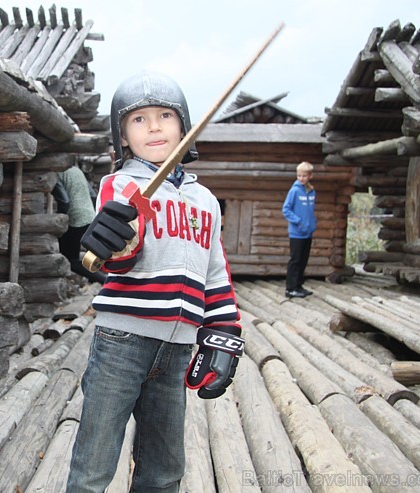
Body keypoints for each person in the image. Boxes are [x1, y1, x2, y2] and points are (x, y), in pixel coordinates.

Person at [66, 71, 244, 493]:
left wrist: (223, 333)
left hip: (179, 347)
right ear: (122, 136)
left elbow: (214, 272)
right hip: (122, 343)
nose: (155, 127)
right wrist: (114, 241)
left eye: (165, 115)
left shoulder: (205, 202)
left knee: (164, 470)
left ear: (185, 125)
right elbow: (121, 260)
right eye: (139, 119)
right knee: (94, 466)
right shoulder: (122, 185)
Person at [56, 165, 107, 284]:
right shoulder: (76, 170)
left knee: (70, 260)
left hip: (76, 219)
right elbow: (93, 195)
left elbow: (64, 201)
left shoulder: (57, 173)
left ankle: (104, 280)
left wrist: (60, 217)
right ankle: (97, 280)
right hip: (89, 215)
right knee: (89, 254)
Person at [282, 161, 317, 298]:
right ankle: (290, 288)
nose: (301, 178)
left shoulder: (311, 191)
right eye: (299, 176)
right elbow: (286, 209)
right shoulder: (294, 191)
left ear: (310, 176)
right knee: (295, 260)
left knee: (303, 260)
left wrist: (312, 224)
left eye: (304, 176)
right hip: (297, 233)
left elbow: (310, 211)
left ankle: (299, 285)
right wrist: (299, 222)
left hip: (308, 232)